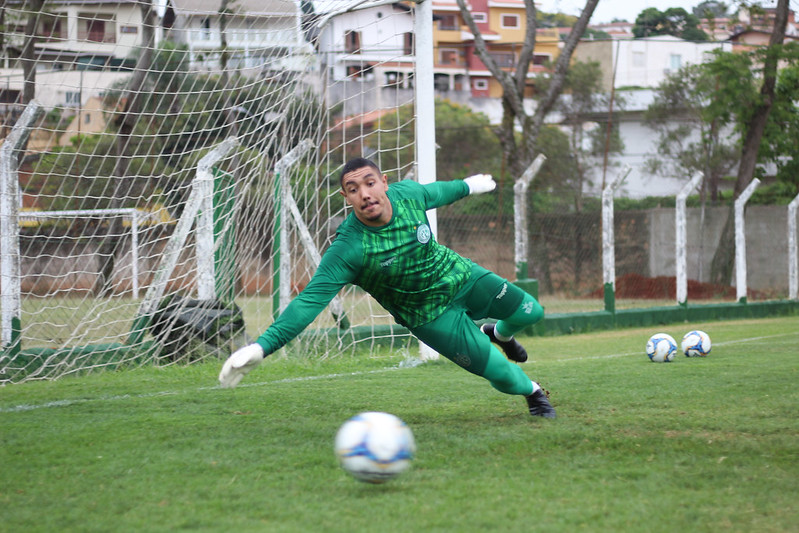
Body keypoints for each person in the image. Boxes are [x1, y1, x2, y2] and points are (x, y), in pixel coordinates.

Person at [219, 158, 555, 418]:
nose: (364, 194)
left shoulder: (408, 195)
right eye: (353, 189)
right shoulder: (348, 249)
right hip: (429, 316)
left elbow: (438, 191)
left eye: (369, 183)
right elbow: (308, 302)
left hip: (460, 276)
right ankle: (533, 392)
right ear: (346, 196)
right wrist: (262, 347)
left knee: (532, 312)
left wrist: (468, 186)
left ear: (384, 182)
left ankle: (501, 334)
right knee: (501, 374)